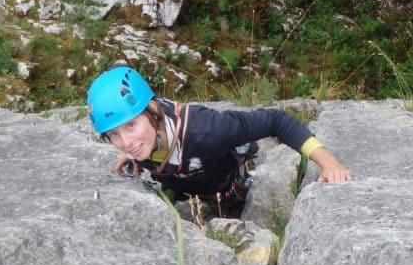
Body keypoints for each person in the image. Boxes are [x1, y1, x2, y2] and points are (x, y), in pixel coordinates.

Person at [87, 65, 352, 218]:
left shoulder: (208, 130)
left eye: (131, 126)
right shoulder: (142, 139)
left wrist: (327, 162)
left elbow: (276, 121)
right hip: (186, 185)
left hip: (225, 185)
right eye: (114, 134)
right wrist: (131, 155)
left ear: (153, 111)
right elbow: (132, 140)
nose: (126, 141)